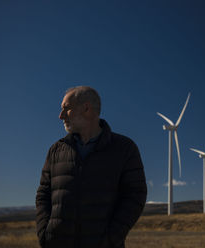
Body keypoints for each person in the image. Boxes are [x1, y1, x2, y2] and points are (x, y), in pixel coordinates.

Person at [36, 86, 147, 248]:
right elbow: (43, 195)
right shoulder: (56, 150)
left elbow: (135, 195)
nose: (60, 116)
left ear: (86, 108)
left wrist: (110, 238)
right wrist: (45, 235)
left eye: (66, 109)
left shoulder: (124, 149)